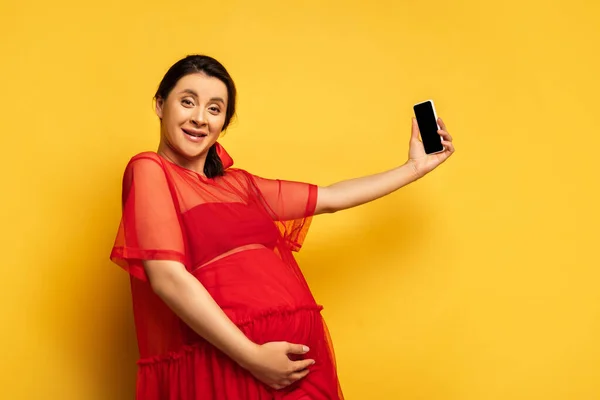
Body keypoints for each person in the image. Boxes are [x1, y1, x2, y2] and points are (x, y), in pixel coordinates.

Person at [110, 54, 455, 400]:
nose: (199, 118)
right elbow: (167, 278)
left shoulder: (240, 185)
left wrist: (414, 168)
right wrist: (252, 356)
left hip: (300, 363)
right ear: (159, 104)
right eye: (188, 102)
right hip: (232, 361)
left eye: (214, 109)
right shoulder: (149, 169)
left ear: (223, 123)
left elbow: (332, 197)